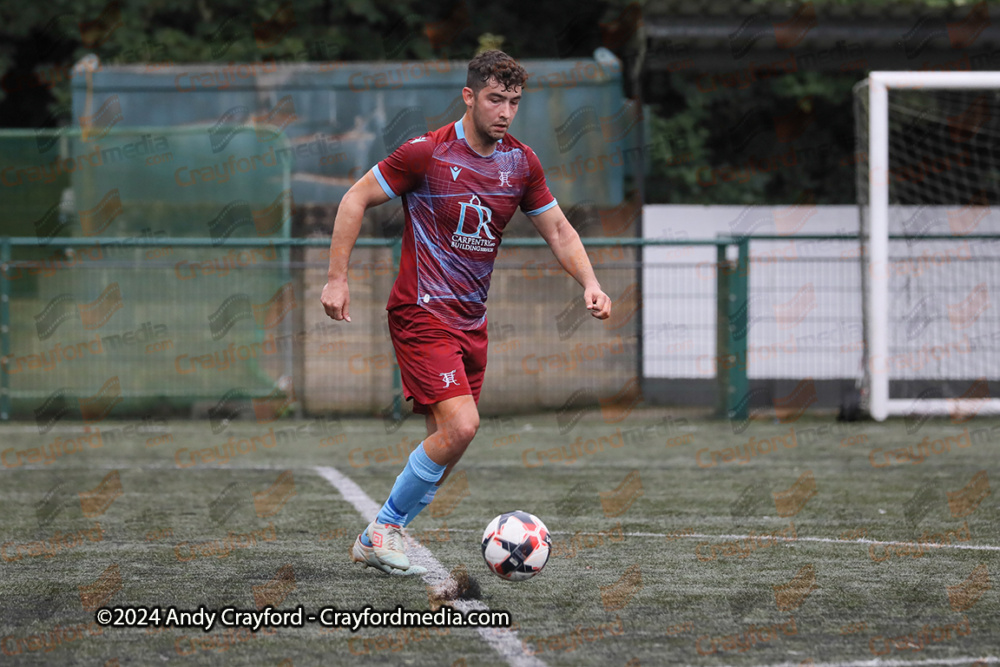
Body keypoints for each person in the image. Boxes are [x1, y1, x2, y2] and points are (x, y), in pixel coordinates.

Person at [320, 50, 612, 575]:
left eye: (515, 102)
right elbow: (354, 198)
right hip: (421, 310)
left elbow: (560, 230)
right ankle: (384, 527)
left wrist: (590, 282)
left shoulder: (521, 163)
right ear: (469, 96)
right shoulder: (426, 153)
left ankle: (382, 532)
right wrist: (337, 278)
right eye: (496, 99)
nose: (505, 111)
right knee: (462, 427)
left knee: (451, 441)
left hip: (471, 322)